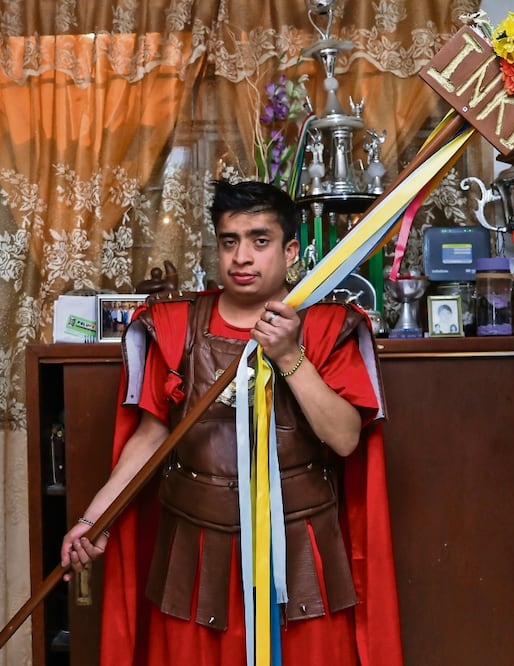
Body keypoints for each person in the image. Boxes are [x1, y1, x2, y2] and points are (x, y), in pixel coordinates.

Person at [60, 179, 403, 665]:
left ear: (289, 251)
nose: (242, 257)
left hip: (300, 557)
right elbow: (152, 436)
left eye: (259, 241)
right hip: (194, 559)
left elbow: (346, 439)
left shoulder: (329, 326)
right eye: (229, 241)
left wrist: (289, 355)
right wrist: (93, 520)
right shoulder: (174, 326)